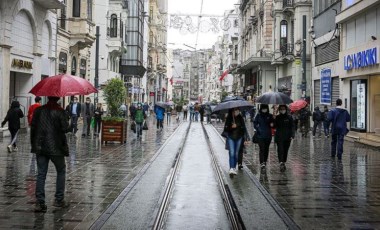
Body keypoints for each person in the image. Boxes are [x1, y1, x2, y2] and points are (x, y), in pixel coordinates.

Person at [31, 96, 70, 212]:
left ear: (47, 98)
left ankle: (39, 202)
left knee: (41, 174)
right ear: (58, 98)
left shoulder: (38, 111)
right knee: (61, 170)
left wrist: (34, 144)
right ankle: (59, 200)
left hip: (41, 146)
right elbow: (65, 128)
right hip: (56, 147)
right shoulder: (60, 111)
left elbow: (33, 127)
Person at [224, 108, 249, 175]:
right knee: (232, 153)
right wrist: (231, 127)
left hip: (239, 137)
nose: (236, 111)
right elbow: (225, 129)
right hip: (231, 137)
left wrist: (245, 138)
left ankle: (234, 167)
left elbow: (244, 128)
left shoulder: (240, 118)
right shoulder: (229, 118)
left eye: (237, 110)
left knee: (236, 153)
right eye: (234, 110)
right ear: (231, 111)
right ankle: (231, 168)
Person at [253, 104, 274, 171]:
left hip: (268, 135)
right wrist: (258, 128)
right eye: (263, 108)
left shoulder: (270, 116)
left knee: (266, 149)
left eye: (265, 108)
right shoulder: (258, 115)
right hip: (260, 135)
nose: (264, 109)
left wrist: (272, 123)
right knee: (262, 149)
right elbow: (255, 123)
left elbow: (273, 124)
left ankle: (265, 161)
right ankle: (262, 163)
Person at [274, 105, 294, 172]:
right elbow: (274, 126)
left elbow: (292, 127)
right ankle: (281, 162)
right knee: (280, 150)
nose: (282, 110)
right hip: (279, 137)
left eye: (283, 109)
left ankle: (284, 161)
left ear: (286, 109)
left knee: (285, 150)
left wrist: (292, 135)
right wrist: (273, 119)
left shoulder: (289, 117)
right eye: (281, 109)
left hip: (287, 137)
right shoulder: (277, 117)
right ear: (279, 110)